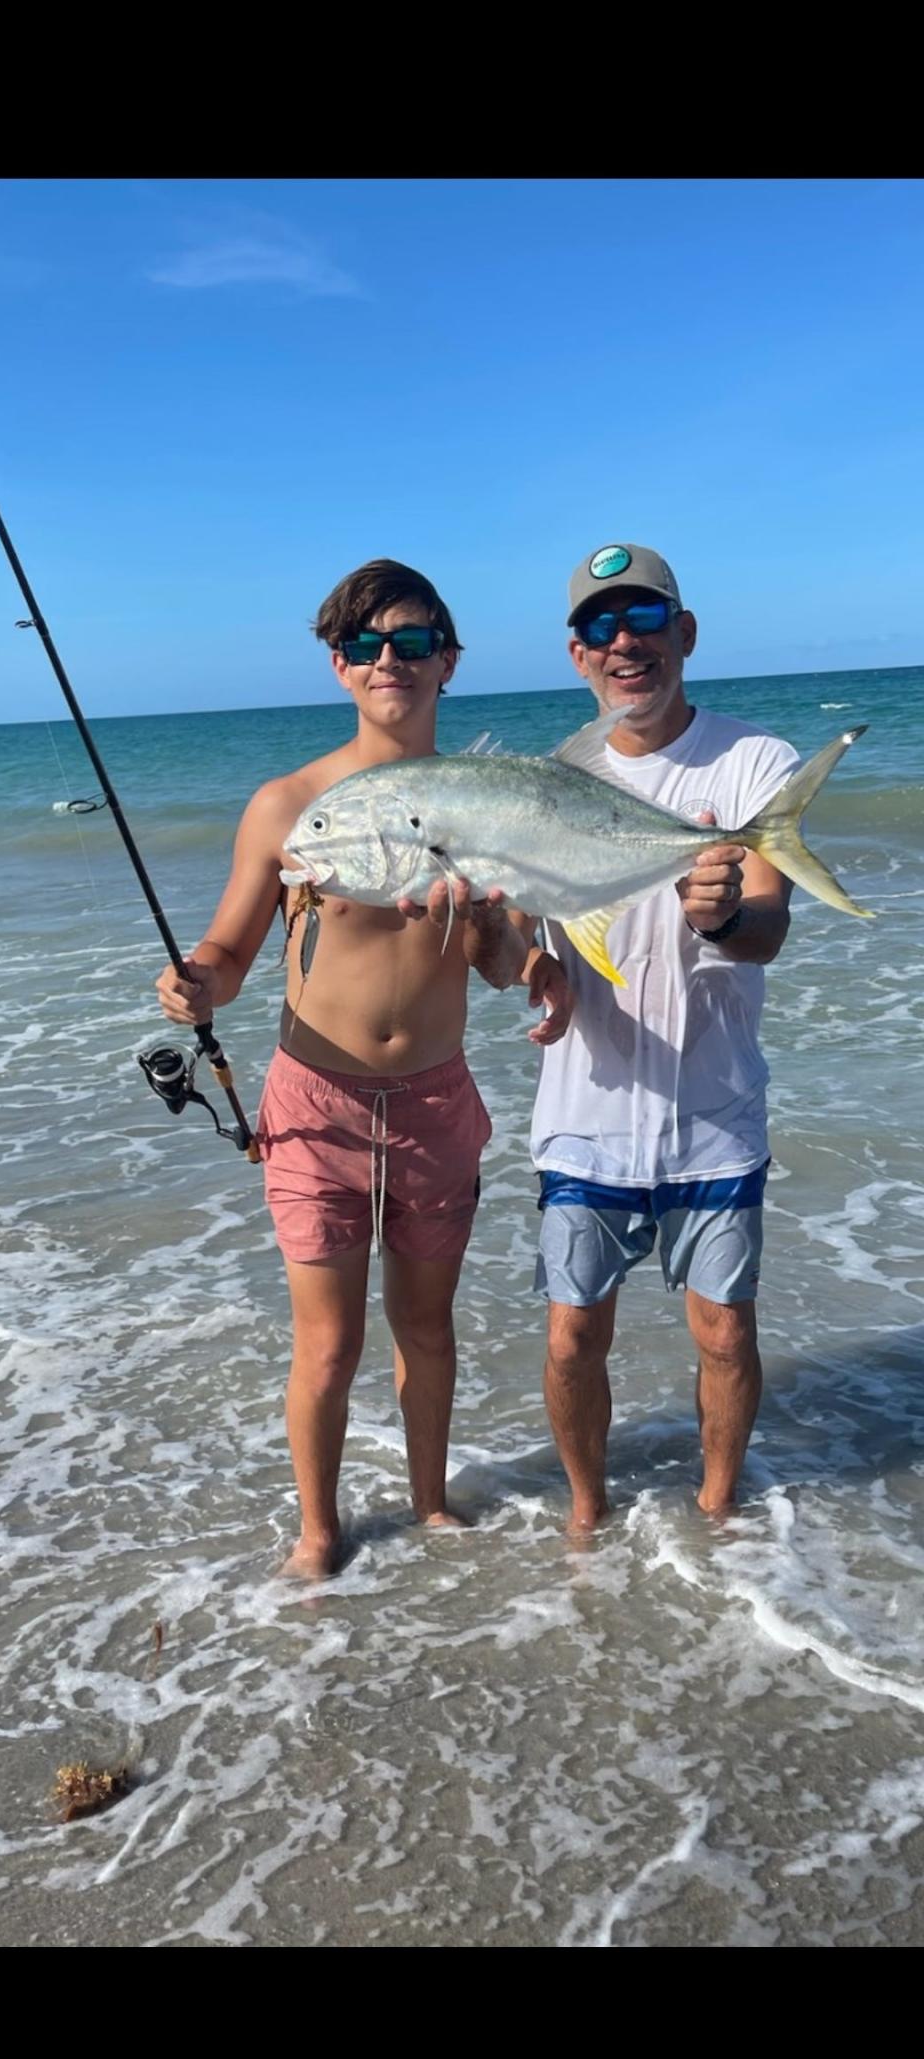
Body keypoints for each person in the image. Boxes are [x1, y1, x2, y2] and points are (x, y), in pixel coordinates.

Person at [156, 559, 569, 1577]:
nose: (391, 660)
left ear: (449, 662)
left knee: (426, 1327)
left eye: (414, 642)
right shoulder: (287, 804)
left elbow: (508, 966)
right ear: (339, 666)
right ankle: (319, 1530)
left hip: (436, 1102)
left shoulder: (485, 802)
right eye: (365, 645)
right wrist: (194, 984)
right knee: (329, 1344)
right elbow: (232, 954)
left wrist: (488, 923)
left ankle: (430, 1501)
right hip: (315, 1104)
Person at [514, 542, 800, 1527]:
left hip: (715, 1111)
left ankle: (720, 1513)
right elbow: (524, 927)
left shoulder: (753, 760)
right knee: (569, 1337)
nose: (623, 642)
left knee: (724, 1332)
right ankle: (587, 1517)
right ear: (576, 652)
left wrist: (721, 917)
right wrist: (519, 956)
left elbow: (766, 927)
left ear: (685, 634)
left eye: (643, 621)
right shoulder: (549, 778)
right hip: (586, 1112)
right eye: (601, 626)